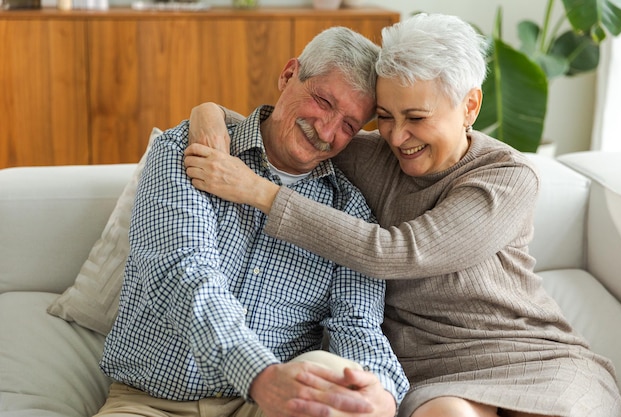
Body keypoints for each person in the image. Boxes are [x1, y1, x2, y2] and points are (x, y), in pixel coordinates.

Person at [183, 13, 621, 417]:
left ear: (470, 106)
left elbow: (402, 251)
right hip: (429, 369)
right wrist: (207, 113)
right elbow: (279, 127)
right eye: (386, 118)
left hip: (531, 357)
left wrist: (260, 193)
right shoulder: (374, 157)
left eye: (416, 117)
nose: (398, 137)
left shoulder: (507, 177)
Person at [95, 26, 409, 417]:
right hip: (150, 401)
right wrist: (261, 376)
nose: (327, 132)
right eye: (323, 101)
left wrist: (383, 391)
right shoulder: (188, 150)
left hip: (269, 408)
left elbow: (357, 323)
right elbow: (182, 275)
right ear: (288, 74)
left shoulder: (348, 211)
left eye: (349, 125)